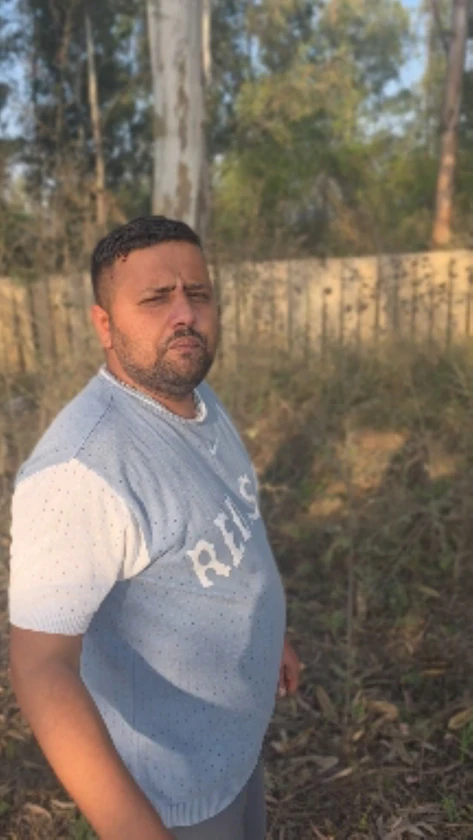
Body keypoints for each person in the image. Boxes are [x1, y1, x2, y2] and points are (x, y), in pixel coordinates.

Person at [8, 216, 300, 840]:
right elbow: (41, 668)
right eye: (156, 298)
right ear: (104, 325)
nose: (185, 314)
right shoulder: (80, 471)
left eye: (198, 293)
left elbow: (232, 528)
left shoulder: (195, 395)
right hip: (173, 794)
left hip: (234, 745)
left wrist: (269, 633)